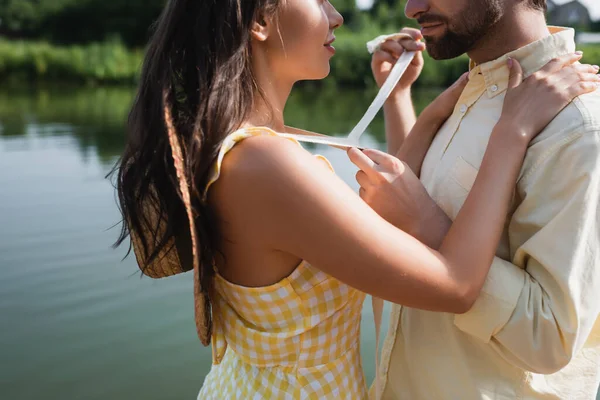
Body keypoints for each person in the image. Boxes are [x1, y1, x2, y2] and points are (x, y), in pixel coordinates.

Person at [111, 0, 598, 398]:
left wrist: (411, 108)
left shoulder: (255, 146)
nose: (338, 15)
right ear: (259, 21)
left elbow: (379, 226)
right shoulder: (269, 165)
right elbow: (451, 281)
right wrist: (510, 131)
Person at [353, 0, 600, 399]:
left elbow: (550, 338)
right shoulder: (469, 95)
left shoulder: (576, 127)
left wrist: (428, 226)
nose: (410, 8)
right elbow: (406, 197)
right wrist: (397, 97)